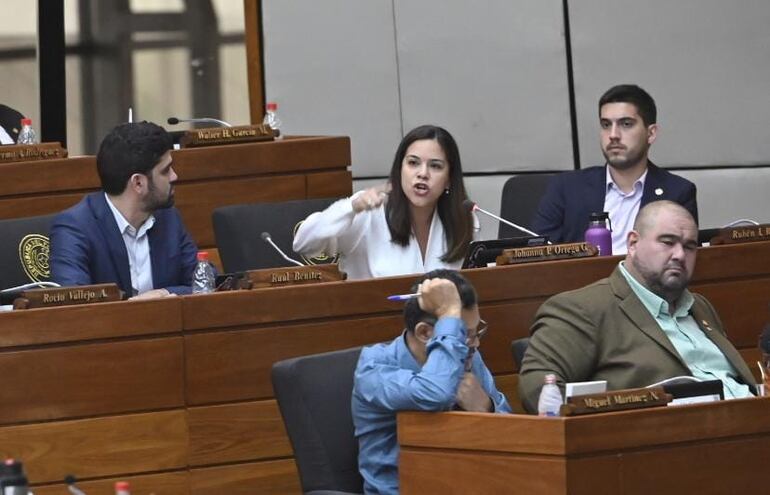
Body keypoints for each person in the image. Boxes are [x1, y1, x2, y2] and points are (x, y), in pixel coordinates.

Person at [519, 201, 756, 413]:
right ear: (633, 243)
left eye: (690, 246)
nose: (680, 255)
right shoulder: (582, 309)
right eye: (668, 242)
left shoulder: (700, 306)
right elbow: (538, 391)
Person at [352, 269, 510, 494]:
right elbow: (435, 393)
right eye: (464, 334)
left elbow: (514, 433)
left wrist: (488, 407)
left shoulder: (468, 356)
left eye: (477, 333)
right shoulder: (374, 368)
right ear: (425, 333)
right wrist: (449, 314)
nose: (475, 344)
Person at [293, 125, 477, 280]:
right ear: (400, 169)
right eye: (413, 163)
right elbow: (304, 244)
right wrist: (351, 207)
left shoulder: (464, 219)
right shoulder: (369, 212)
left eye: (435, 166)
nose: (423, 173)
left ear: (449, 179)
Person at [532, 84, 698, 254]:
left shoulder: (678, 193)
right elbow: (540, 255)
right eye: (605, 125)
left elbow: (679, 260)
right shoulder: (566, 187)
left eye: (626, 124)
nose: (613, 135)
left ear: (651, 133)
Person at [50, 121, 198, 299]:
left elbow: (204, 281)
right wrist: (131, 309)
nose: (174, 176)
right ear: (138, 183)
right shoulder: (74, 228)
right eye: (165, 170)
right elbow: (75, 304)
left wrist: (163, 293)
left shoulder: (168, 218)